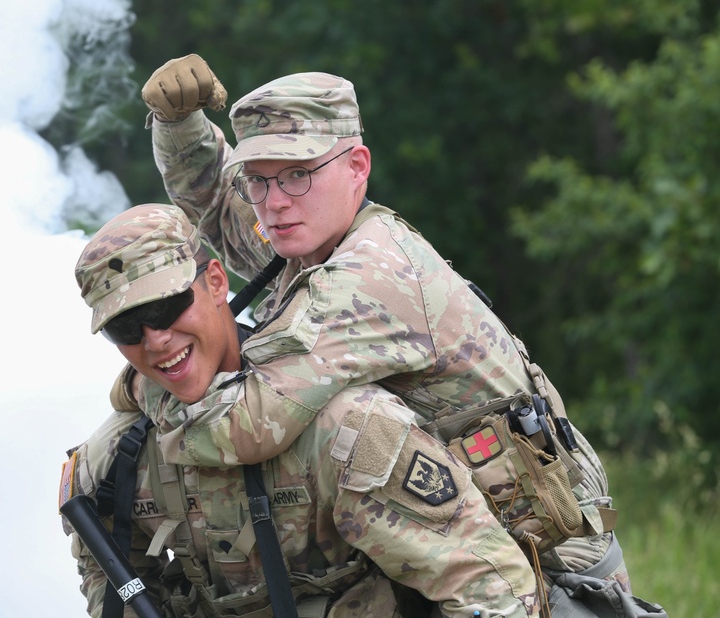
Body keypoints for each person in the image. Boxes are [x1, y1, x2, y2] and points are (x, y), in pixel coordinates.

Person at [130, 55, 665, 616]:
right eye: (259, 179)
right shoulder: (304, 235)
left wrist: (144, 373)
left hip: (539, 573)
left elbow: (243, 424)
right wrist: (179, 124)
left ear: (357, 166)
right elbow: (219, 205)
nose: (275, 200)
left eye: (297, 173)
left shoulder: (369, 275)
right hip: (453, 543)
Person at [62, 203, 539, 617]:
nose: (155, 340)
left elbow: (487, 583)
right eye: (126, 328)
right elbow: (112, 590)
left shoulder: (344, 429)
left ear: (214, 282)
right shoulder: (114, 464)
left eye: (165, 309)